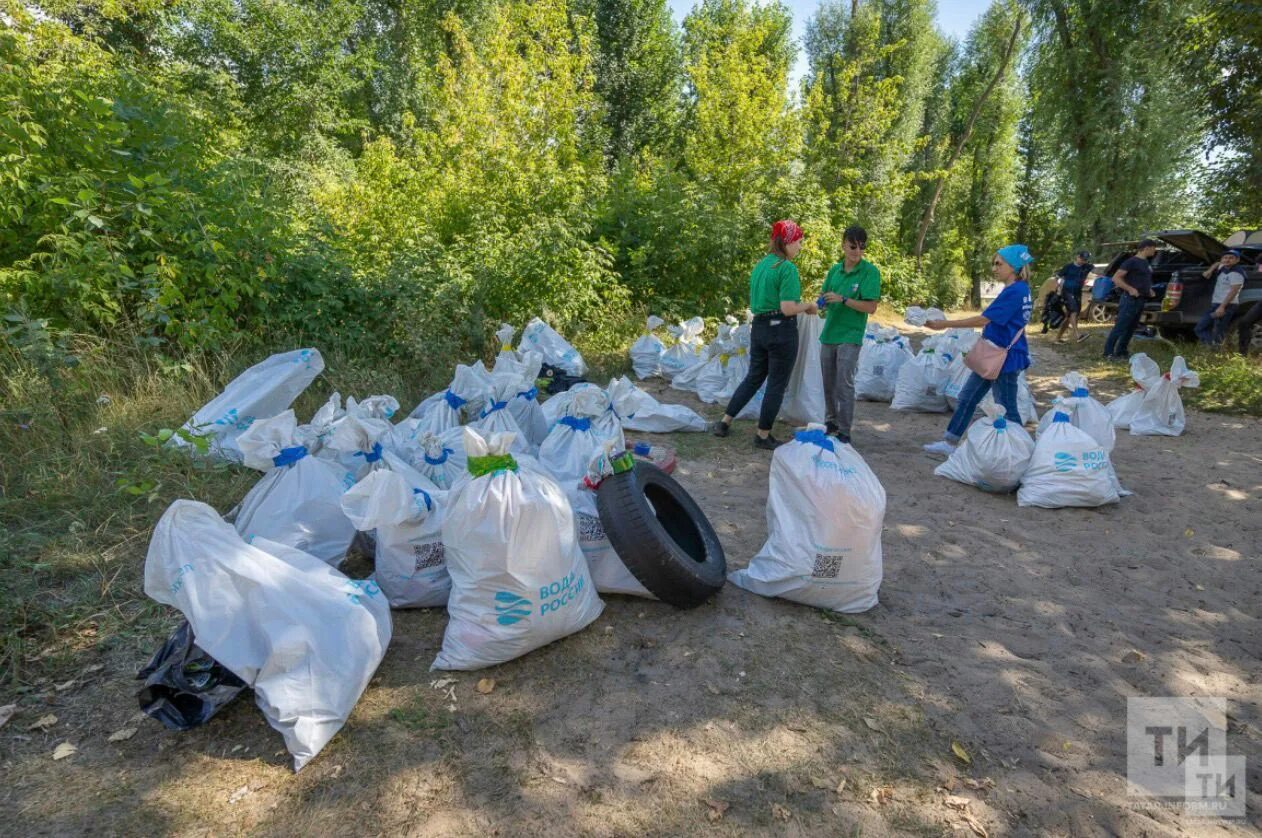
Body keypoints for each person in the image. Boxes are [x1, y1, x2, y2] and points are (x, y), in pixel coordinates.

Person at [921, 244, 1034, 459]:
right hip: (994, 355)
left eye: (999, 263)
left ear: (1014, 266)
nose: (994, 268)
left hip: (1004, 359)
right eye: (994, 263)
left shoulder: (1016, 291)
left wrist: (945, 324)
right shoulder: (1018, 289)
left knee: (1007, 408)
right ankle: (950, 441)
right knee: (967, 397)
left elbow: (984, 318)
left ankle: (1022, 452)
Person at [713, 220, 818, 450]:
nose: (800, 247)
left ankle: (724, 422)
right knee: (776, 384)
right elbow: (788, 308)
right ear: (788, 242)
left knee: (753, 377)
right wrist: (808, 305)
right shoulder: (787, 268)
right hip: (781, 329)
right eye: (799, 242)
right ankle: (763, 435)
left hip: (759, 328)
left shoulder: (761, 266)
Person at [818, 225, 881, 445]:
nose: (857, 251)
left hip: (850, 335)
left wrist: (844, 300)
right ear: (844, 244)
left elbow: (871, 307)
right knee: (828, 383)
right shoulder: (835, 270)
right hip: (829, 333)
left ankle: (844, 430)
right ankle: (830, 422)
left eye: (862, 247)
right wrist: (822, 303)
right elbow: (824, 296)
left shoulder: (869, 272)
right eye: (853, 246)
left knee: (844, 383)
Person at [1102, 238, 1158, 360]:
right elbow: (1116, 278)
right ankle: (1108, 353)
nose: (1155, 251)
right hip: (1130, 299)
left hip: (1141, 299)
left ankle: (1122, 351)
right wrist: (1130, 289)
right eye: (1154, 248)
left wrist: (1148, 289)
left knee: (1132, 327)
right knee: (1121, 326)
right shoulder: (1131, 262)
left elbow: (1141, 280)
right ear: (1146, 248)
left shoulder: (1145, 263)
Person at [1194, 249, 1246, 346]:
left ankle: (1215, 349)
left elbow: (1234, 291)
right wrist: (1209, 270)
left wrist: (1222, 307)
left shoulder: (1237, 273)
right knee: (1204, 327)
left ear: (1237, 260)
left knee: (1216, 330)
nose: (1227, 260)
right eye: (1225, 257)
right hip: (1216, 305)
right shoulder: (1224, 267)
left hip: (1226, 306)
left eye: (1231, 258)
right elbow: (1217, 263)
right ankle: (1211, 347)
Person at [1054, 250, 1092, 344]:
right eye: (1082, 259)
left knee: (1070, 316)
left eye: (1085, 260)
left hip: (1078, 293)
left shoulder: (1087, 267)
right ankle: (1078, 335)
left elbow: (1096, 271)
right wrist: (1058, 287)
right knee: (1073, 311)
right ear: (1077, 257)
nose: (1083, 261)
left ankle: (1057, 339)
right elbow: (1057, 276)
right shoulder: (1068, 267)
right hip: (1067, 292)